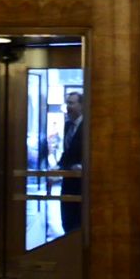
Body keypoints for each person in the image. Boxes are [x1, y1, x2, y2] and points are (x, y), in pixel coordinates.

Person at [58, 90, 84, 233]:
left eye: (72, 103)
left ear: (81, 105)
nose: (68, 106)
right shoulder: (68, 125)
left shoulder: (89, 125)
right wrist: (58, 167)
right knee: (67, 218)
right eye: (67, 103)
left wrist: (82, 166)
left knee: (77, 219)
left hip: (81, 182)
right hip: (68, 180)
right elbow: (67, 152)